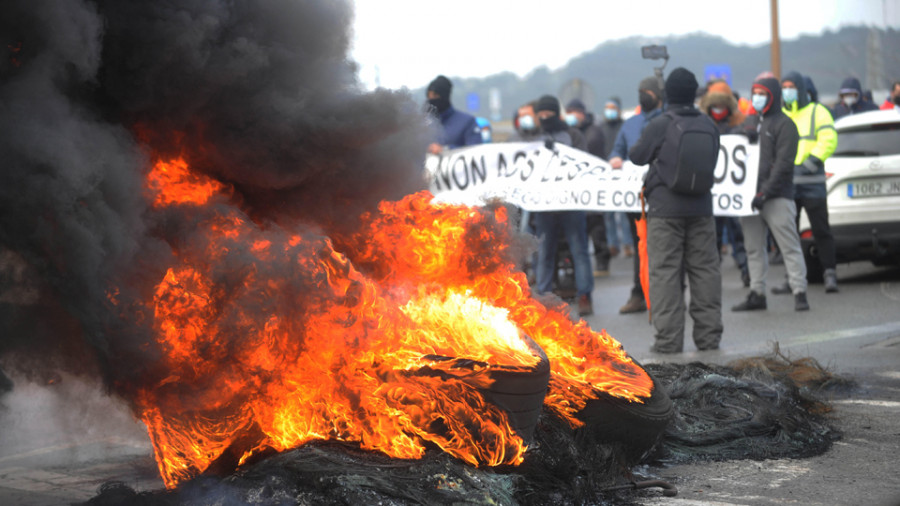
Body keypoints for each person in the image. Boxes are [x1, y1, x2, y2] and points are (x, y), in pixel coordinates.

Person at [629, 67, 723, 353]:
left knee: (666, 273)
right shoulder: (709, 125)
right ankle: (708, 339)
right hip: (702, 209)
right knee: (705, 271)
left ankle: (669, 341)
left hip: (665, 211)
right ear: (695, 94)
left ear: (667, 94)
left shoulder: (661, 124)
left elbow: (637, 156)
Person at [732, 75, 809, 312]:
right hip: (751, 198)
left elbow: (784, 164)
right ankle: (757, 292)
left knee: (789, 245)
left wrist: (765, 192)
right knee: (753, 247)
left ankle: (800, 292)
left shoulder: (785, 125)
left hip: (777, 196)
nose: (757, 97)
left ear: (772, 96)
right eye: (755, 92)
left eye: (762, 93)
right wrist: (744, 133)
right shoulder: (753, 121)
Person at [771, 72, 839, 293]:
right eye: (784, 87)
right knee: (790, 234)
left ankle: (830, 274)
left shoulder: (818, 112)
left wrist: (811, 161)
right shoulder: (780, 114)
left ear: (800, 89)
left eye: (791, 87)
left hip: (812, 183)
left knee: (821, 230)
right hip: (789, 184)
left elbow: (829, 139)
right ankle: (793, 279)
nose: (787, 91)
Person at [531, 95, 594, 316]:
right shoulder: (534, 138)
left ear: (556, 114)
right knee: (545, 251)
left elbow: (584, 161)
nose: (545, 118)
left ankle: (585, 294)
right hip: (544, 206)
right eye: (541, 115)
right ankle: (543, 297)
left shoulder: (573, 135)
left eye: (548, 114)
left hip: (570, 203)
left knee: (579, 249)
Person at [609, 77, 665, 314]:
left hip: (662, 198)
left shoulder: (667, 121)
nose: (643, 95)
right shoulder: (630, 125)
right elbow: (618, 150)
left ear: (658, 95)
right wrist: (615, 158)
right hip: (635, 199)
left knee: (663, 248)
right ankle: (638, 293)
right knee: (640, 246)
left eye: (648, 92)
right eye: (641, 91)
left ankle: (663, 297)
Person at [699, 79, 751, 287]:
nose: (718, 110)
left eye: (722, 106)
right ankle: (711, 278)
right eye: (714, 106)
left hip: (735, 192)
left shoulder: (741, 124)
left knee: (739, 234)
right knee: (713, 237)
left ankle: (747, 271)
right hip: (712, 193)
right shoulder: (703, 124)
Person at [565, 98, 611, 277]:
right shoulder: (570, 131)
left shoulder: (594, 131)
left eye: (574, 112)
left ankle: (602, 260)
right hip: (575, 186)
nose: (571, 116)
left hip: (593, 185)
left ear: (582, 113)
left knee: (596, 224)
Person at [599, 97, 633, 262]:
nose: (609, 110)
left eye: (612, 107)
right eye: (607, 107)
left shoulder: (625, 127)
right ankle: (613, 244)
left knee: (624, 212)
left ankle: (627, 243)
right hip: (605, 175)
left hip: (623, 173)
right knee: (608, 213)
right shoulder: (601, 128)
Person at [425, 75, 482, 154]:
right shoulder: (422, 123)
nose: (431, 99)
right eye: (429, 96)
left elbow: (476, 150)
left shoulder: (467, 122)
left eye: (435, 95)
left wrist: (445, 149)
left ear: (445, 96)